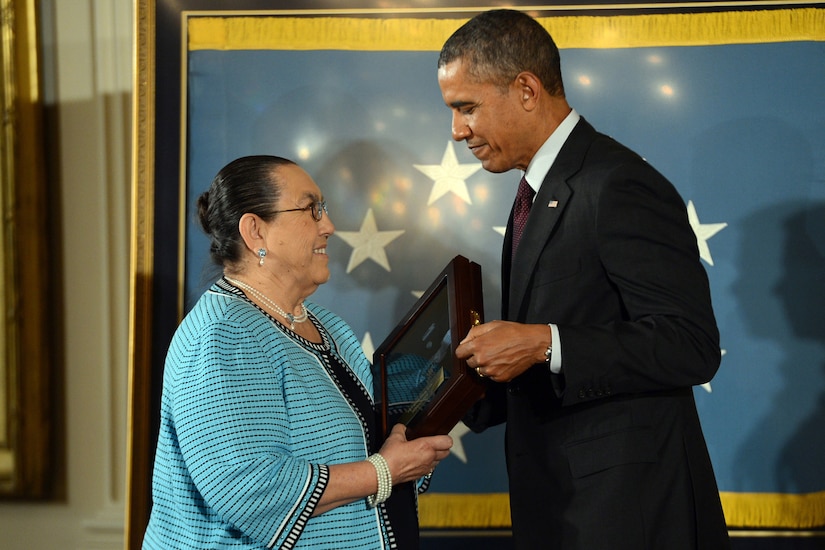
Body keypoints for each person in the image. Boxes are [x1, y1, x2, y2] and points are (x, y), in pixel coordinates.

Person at [438, 9, 730, 550]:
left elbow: (690, 345)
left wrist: (543, 342)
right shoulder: (538, 190)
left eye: (466, 108)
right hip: (564, 508)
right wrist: (446, 394)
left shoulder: (617, 184)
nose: (457, 131)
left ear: (526, 89)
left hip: (629, 515)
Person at [142, 155, 452, 549]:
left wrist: (444, 377)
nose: (329, 226)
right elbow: (247, 487)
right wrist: (382, 473)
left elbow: (367, 429)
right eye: (311, 209)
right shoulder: (222, 335)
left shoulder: (327, 325)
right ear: (255, 232)